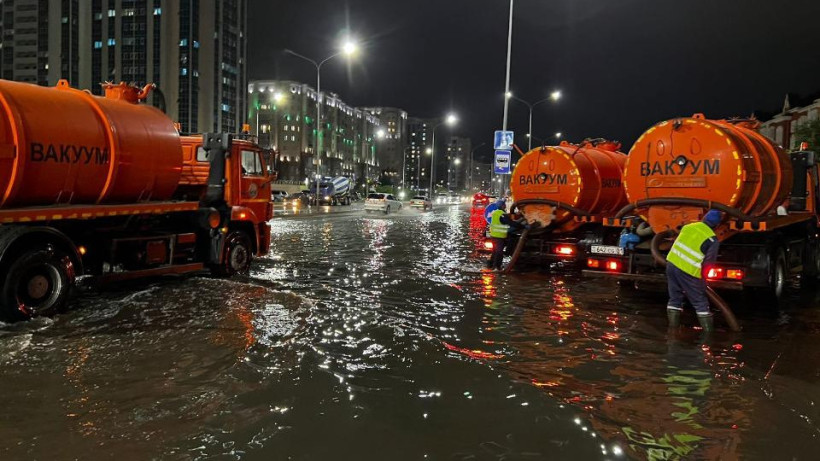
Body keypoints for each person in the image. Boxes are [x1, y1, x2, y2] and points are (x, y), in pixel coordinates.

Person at [666, 210, 722, 332]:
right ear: (717, 225)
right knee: (700, 302)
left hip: (671, 264)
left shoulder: (688, 227)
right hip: (688, 271)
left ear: (704, 218)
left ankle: (672, 330)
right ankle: (708, 335)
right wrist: (704, 280)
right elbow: (708, 263)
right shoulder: (712, 239)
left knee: (675, 298)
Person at [487, 199, 525, 270]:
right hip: (499, 237)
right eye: (504, 204)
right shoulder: (502, 215)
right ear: (502, 206)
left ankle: (490, 265)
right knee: (499, 252)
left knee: (495, 251)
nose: (505, 205)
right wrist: (523, 226)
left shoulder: (495, 213)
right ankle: (497, 267)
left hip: (493, 236)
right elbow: (511, 223)